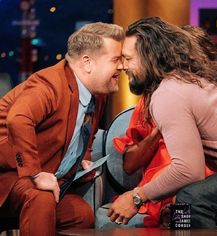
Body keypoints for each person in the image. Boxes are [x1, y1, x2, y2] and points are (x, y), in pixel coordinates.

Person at [108, 16, 217, 228]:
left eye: (128, 58)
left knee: (193, 199)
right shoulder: (183, 82)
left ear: (150, 56)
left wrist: (136, 196)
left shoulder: (169, 92)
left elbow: (188, 170)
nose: (122, 66)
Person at [0, 22, 124, 235]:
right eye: (116, 59)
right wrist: (36, 174)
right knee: (41, 198)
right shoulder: (49, 84)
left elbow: (87, 131)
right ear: (87, 62)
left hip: (48, 178)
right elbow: (18, 119)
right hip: (9, 174)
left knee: (80, 215)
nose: (122, 66)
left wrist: (82, 157)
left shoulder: (98, 94)